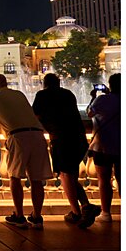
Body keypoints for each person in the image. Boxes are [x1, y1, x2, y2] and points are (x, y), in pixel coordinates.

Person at [0, 74, 53, 229]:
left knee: (15, 177)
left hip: (18, 136)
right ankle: (37, 217)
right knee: (36, 179)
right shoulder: (19, 94)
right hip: (38, 134)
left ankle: (19, 216)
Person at [32, 73, 101, 228]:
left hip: (61, 138)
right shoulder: (68, 94)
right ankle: (84, 206)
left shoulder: (42, 95)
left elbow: (35, 115)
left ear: (45, 84)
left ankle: (78, 212)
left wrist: (47, 129)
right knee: (70, 175)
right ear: (59, 83)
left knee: (65, 175)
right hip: (79, 138)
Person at [87, 73, 121, 222]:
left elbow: (89, 113)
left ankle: (106, 213)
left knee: (104, 179)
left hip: (103, 146)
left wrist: (93, 97)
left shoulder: (103, 100)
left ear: (110, 85)